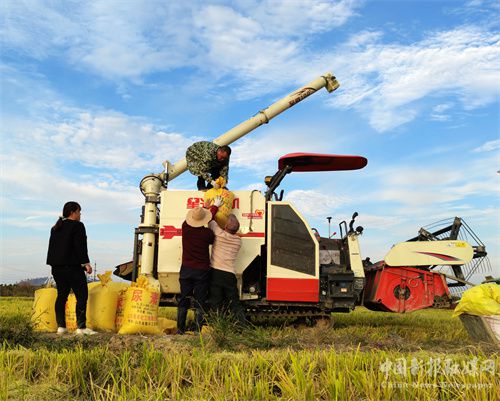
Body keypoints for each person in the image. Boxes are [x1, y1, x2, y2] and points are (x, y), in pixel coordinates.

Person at [46, 201, 96, 335]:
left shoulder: (55, 228)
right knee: (82, 295)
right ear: (73, 212)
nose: (80, 215)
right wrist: (86, 263)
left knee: (61, 296)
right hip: (72, 267)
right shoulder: (78, 226)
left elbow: (53, 248)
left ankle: (61, 327)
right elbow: (80, 246)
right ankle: (81, 328)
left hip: (57, 267)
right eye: (79, 212)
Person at [176, 197, 223, 334]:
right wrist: (213, 207)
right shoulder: (207, 234)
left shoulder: (185, 227)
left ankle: (180, 329)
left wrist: (205, 207)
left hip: (186, 270)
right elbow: (208, 222)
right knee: (200, 301)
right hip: (201, 271)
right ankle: (197, 331)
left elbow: (200, 218)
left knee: (183, 299)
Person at [207, 214, 246, 325]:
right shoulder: (238, 241)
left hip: (215, 273)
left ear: (225, 226)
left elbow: (209, 218)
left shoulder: (218, 234)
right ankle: (242, 326)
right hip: (229, 275)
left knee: (216, 302)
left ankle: (218, 326)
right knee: (235, 303)